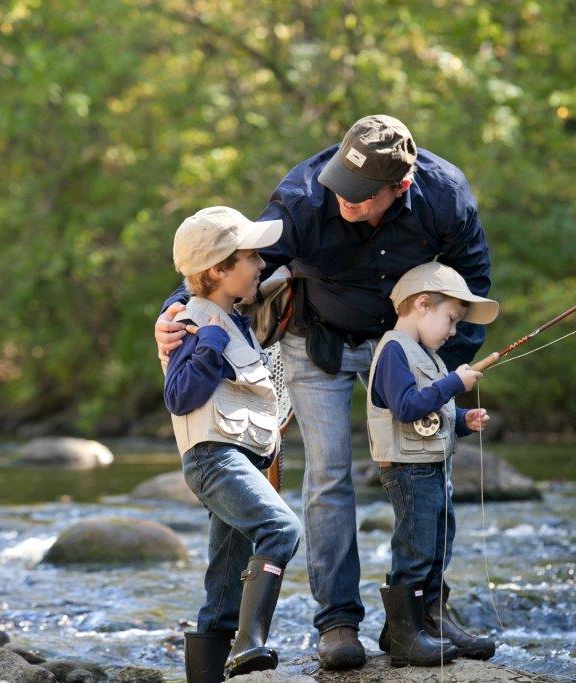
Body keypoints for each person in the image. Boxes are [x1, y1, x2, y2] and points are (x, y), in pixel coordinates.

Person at [155, 115, 492, 669]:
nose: (344, 201)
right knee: (330, 475)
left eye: (360, 197)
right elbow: (218, 264)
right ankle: (337, 623)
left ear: (400, 188)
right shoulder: (304, 200)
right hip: (318, 344)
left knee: (429, 463)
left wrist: (439, 371)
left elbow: (473, 282)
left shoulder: (445, 197)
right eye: (340, 186)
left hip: (406, 346)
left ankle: (423, 612)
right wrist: (172, 309)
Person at [163, 206, 303, 682]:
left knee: (224, 583)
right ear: (219, 270)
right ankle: (249, 645)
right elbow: (178, 396)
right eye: (251, 257)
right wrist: (208, 346)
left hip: (235, 457)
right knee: (283, 529)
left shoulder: (232, 316)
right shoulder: (196, 324)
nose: (260, 264)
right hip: (213, 459)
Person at [366, 262, 499, 667]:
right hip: (407, 469)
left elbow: (432, 414)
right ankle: (407, 635)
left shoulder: (430, 355)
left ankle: (426, 621)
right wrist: (455, 384)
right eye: (451, 319)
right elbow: (406, 407)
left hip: (433, 467)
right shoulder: (393, 351)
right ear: (422, 304)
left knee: (440, 545)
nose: (454, 331)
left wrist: (461, 420)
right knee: (416, 547)